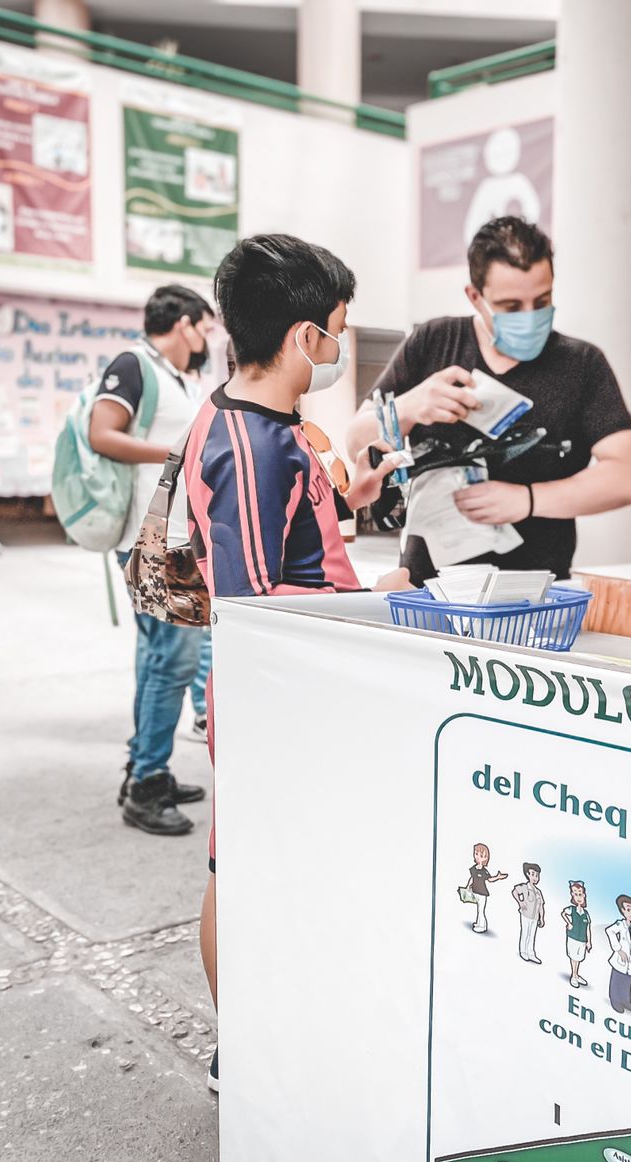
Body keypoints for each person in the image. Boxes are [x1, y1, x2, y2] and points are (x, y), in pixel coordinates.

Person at [183, 233, 408, 1091]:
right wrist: (378, 599)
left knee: (262, 865)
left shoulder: (258, 418)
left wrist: (344, 501)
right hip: (271, 694)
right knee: (236, 871)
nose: (339, 348)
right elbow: (249, 607)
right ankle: (238, 1048)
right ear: (305, 335)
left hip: (294, 690)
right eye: (337, 330)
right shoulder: (251, 443)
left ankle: (269, 1025)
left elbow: (284, 546)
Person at [346, 216, 631, 581]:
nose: (529, 316)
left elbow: (630, 477)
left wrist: (527, 500)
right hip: (425, 587)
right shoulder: (434, 341)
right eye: (510, 306)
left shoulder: (581, 364)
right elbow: (356, 442)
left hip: (535, 596)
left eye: (542, 301)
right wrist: (408, 407)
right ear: (475, 297)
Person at [88, 284, 218, 837]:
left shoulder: (174, 376)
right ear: (185, 323)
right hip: (156, 539)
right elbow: (102, 434)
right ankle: (146, 783)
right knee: (176, 661)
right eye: (205, 329)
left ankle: (146, 768)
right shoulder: (134, 364)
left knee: (155, 656)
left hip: (172, 536)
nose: (207, 341)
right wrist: (177, 454)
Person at [465, 842, 508, 933]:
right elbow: (472, 878)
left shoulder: (484, 871)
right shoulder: (473, 868)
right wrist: (468, 886)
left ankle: (482, 926)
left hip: (482, 893)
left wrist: (497, 877)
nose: (477, 856)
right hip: (475, 891)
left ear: (485, 858)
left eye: (480, 855)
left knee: (481, 910)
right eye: (476, 854)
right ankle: (478, 923)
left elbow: (490, 879)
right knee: (478, 909)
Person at [561, 881, 592, 988]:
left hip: (582, 939)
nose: (579, 897)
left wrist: (589, 941)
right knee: (574, 957)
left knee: (579, 958)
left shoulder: (586, 914)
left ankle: (576, 975)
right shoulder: (572, 909)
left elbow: (588, 927)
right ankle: (574, 976)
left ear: (584, 896)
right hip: (573, 937)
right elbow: (563, 913)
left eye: (580, 895)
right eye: (576, 895)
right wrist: (569, 923)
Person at [512, 863, 546, 964]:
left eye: (537, 875)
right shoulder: (524, 887)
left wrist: (542, 918)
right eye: (533, 874)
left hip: (535, 917)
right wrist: (521, 902)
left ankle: (531, 953)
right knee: (525, 933)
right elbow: (515, 891)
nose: (535, 877)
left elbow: (541, 906)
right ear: (528, 874)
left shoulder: (538, 892)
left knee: (532, 935)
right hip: (526, 915)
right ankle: (523, 951)